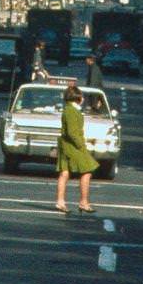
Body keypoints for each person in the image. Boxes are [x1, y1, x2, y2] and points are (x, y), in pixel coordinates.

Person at [55, 80, 98, 214]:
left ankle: (60, 202)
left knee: (65, 173)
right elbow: (72, 132)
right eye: (81, 96)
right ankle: (84, 202)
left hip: (65, 145)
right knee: (87, 170)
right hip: (73, 146)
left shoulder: (69, 109)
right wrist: (81, 145)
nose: (83, 99)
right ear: (77, 98)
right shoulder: (72, 111)